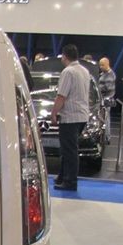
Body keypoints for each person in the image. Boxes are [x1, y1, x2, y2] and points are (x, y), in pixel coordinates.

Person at [51, 44, 91, 191]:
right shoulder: (85, 71)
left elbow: (61, 95)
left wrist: (54, 112)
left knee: (69, 151)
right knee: (69, 149)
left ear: (64, 56)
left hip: (70, 116)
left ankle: (70, 181)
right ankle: (63, 176)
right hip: (82, 115)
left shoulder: (68, 72)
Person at [97, 57, 116, 143]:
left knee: (106, 119)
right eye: (100, 65)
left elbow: (108, 88)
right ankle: (104, 136)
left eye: (102, 65)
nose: (100, 67)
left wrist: (98, 89)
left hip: (106, 100)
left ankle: (107, 137)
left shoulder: (110, 75)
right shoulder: (103, 74)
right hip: (102, 100)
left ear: (107, 64)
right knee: (103, 119)